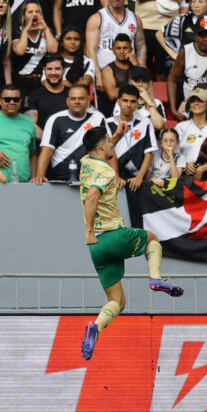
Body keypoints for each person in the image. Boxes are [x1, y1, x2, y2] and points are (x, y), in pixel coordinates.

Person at [79, 125, 182, 361]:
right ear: (101, 146)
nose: (111, 143)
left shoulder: (86, 161)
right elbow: (93, 195)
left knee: (117, 301)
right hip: (111, 234)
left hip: (97, 250)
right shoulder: (105, 172)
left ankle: (95, 326)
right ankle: (156, 278)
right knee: (153, 239)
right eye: (108, 140)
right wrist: (89, 230)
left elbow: (103, 148)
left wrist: (116, 136)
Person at [34, 84, 105, 184]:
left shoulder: (98, 117)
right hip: (60, 179)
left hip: (91, 179)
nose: (77, 102)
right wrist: (40, 176)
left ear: (88, 100)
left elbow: (107, 148)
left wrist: (115, 175)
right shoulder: (56, 119)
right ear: (67, 101)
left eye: (81, 98)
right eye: (73, 99)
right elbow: (46, 150)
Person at [106, 85, 156, 190]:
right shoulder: (107, 123)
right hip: (113, 179)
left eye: (133, 101)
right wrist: (116, 176)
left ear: (137, 103)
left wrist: (139, 177)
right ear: (118, 101)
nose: (129, 105)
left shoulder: (145, 122)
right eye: (125, 101)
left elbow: (149, 153)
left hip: (136, 181)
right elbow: (106, 150)